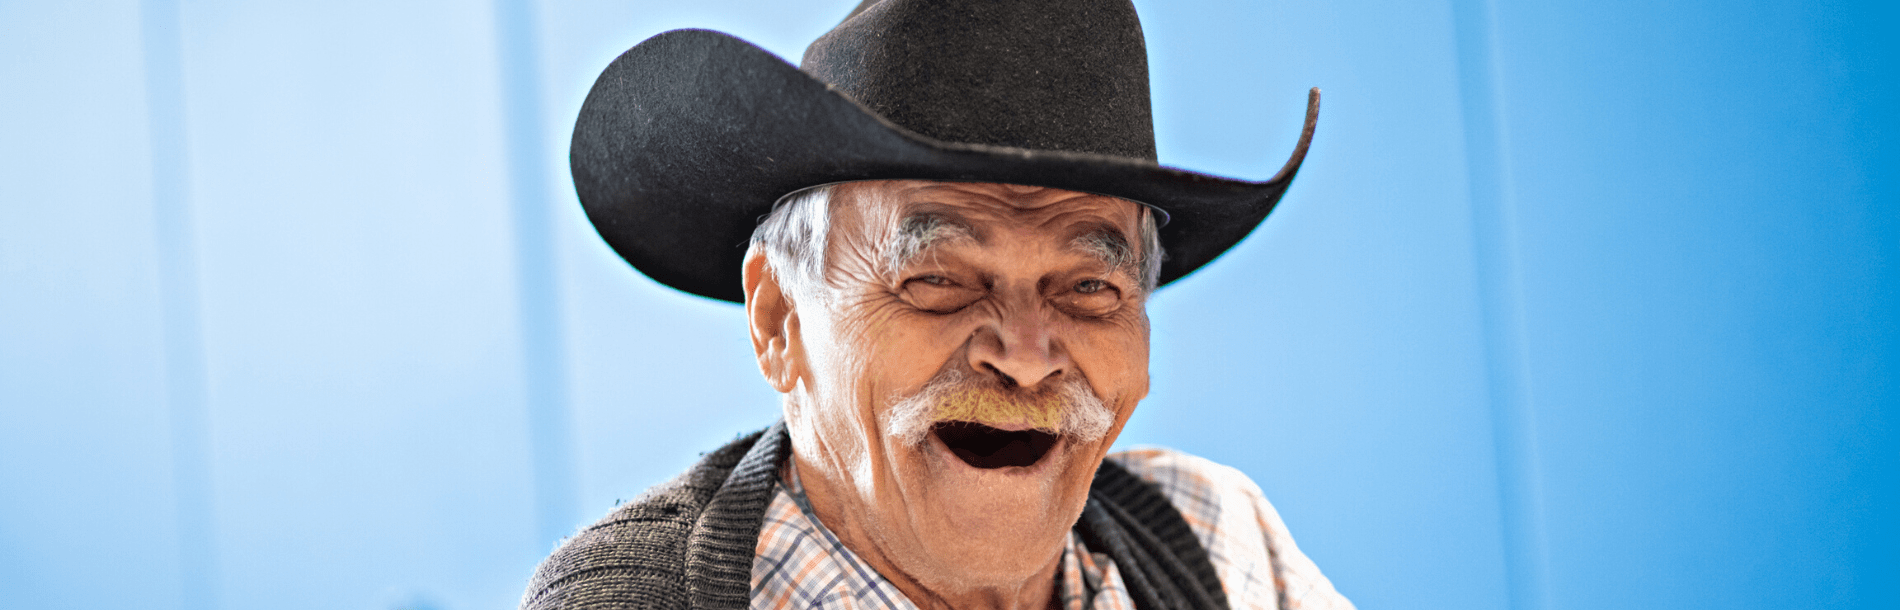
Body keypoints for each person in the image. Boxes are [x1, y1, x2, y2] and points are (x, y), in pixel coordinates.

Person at [521, 0, 1353, 608]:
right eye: (938, 280)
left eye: (1090, 287)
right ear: (780, 320)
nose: (1026, 356)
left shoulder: (1218, 538)